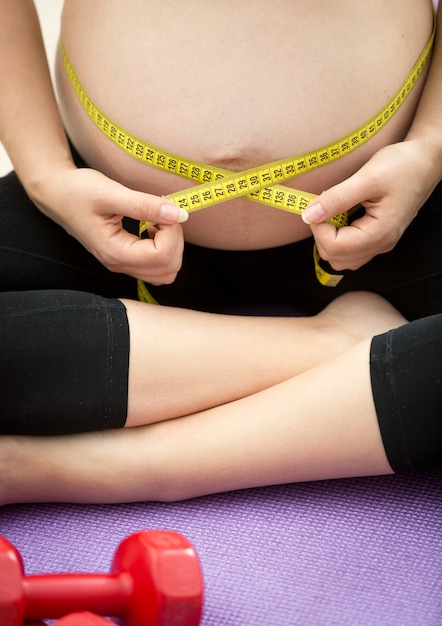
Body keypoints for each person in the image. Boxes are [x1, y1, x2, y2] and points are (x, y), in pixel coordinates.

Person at [0, 0, 440, 505]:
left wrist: (429, 149)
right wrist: (47, 175)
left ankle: (114, 467)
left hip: (392, 211)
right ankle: (335, 345)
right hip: (102, 216)